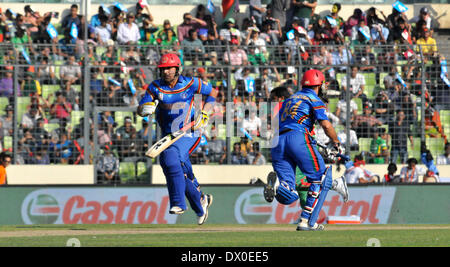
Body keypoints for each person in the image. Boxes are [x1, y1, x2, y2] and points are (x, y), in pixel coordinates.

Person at [137, 53, 217, 225]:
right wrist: (144, 109)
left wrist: (205, 112)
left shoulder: (190, 83)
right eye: (163, 69)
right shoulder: (155, 87)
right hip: (169, 135)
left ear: (177, 68)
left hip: (190, 130)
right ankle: (201, 201)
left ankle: (178, 203)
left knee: (169, 158)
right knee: (181, 171)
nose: (166, 72)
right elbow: (142, 106)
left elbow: (213, 93)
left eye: (169, 68)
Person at [263, 69, 348, 231]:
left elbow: (276, 124)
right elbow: (326, 125)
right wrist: (336, 142)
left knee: (289, 194)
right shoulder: (313, 98)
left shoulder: (289, 100)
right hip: (298, 138)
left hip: (277, 142)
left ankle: (279, 188)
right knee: (320, 177)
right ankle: (305, 221)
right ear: (319, 85)